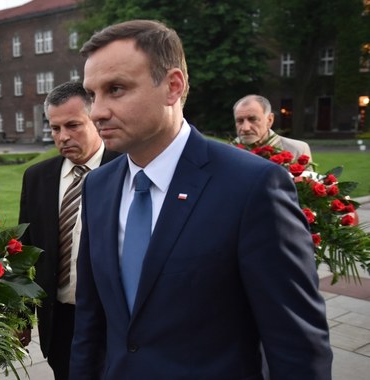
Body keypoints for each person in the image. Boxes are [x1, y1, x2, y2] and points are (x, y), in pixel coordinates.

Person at [70, 19, 332, 379]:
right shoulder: (98, 186)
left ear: (172, 87)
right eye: (92, 94)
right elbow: (91, 317)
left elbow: (296, 345)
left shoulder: (253, 186)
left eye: (116, 89)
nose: (96, 111)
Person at [18, 81, 120, 379]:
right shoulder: (37, 177)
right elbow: (24, 251)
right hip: (58, 317)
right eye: (55, 128)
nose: (63, 137)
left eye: (73, 125)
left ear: (96, 120)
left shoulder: (125, 169)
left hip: (110, 319)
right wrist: (22, 315)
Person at [233, 94, 312, 160]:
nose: (245, 128)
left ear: (269, 120)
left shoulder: (298, 150)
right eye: (240, 121)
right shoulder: (225, 152)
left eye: (253, 119)